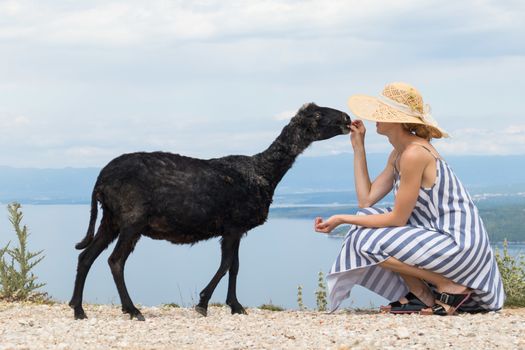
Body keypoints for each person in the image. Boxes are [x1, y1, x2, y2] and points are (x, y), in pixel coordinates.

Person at [314, 82, 504, 315]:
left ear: (398, 120)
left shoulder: (414, 154)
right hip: (443, 240)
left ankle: (446, 285)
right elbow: (366, 201)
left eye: (382, 114)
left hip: (458, 245)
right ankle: (423, 294)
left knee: (363, 240)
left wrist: (342, 219)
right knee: (365, 221)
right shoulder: (400, 153)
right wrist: (358, 147)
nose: (375, 118)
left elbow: (397, 219)